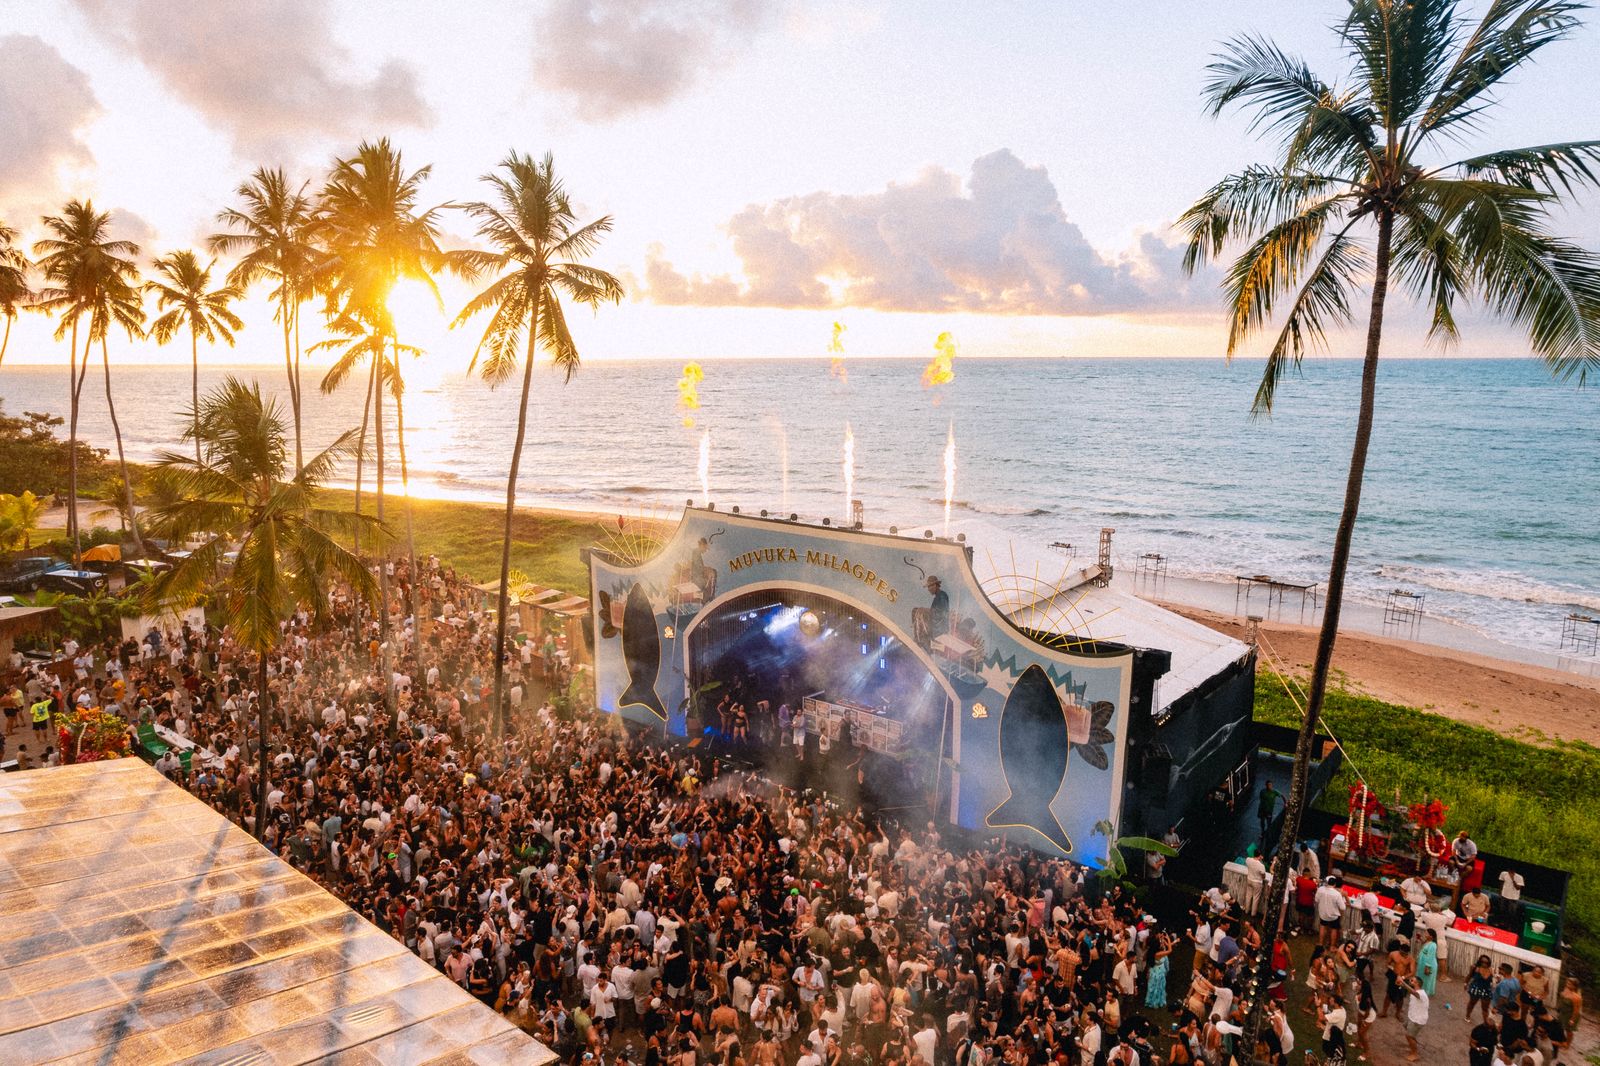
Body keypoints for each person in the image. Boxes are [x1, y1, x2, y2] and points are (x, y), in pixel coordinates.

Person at [1403, 975, 1430, 1062]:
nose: (1410, 981)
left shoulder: (1421, 994)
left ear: (1417, 983)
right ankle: (1413, 1044)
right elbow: (1412, 992)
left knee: (1409, 1036)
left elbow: (1414, 993)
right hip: (1413, 1017)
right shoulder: (1416, 991)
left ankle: (1414, 1054)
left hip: (1417, 1020)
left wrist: (1403, 983)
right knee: (1407, 1028)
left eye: (1412, 980)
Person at [1314, 875, 1348, 947]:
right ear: (1334, 884)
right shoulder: (1337, 894)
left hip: (1323, 914)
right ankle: (1332, 946)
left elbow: (1316, 900)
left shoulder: (1320, 889)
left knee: (1322, 927)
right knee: (1334, 929)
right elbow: (1343, 908)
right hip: (1333, 916)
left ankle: (1320, 943)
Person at [1467, 955, 1497, 1022]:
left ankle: (1486, 1022)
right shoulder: (1475, 968)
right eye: (1482, 962)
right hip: (1476, 989)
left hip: (1486, 990)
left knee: (1485, 1008)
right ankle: (1467, 1016)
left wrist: (1496, 979)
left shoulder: (1491, 970)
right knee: (1472, 1003)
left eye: (1486, 962)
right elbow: (1469, 975)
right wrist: (1465, 983)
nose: (1484, 964)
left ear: (1489, 963)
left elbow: (1494, 981)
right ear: (1479, 961)